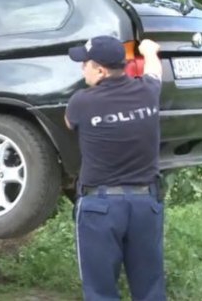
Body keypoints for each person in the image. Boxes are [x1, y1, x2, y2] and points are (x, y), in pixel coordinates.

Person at [64, 35, 166, 300]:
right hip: (146, 205)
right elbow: (154, 72)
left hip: (101, 208)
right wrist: (149, 50)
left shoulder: (81, 102)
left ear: (100, 70)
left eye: (85, 63)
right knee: (151, 291)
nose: (81, 68)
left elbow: (68, 123)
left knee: (100, 293)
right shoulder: (147, 92)